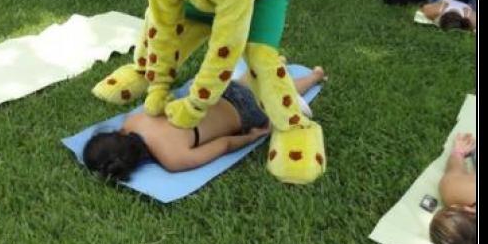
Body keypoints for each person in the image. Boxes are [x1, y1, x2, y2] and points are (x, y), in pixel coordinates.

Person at [84, 67, 326, 181]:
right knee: (246, 83)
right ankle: (267, 68)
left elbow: (224, 144)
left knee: (280, 95)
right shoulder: (135, 119)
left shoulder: (173, 159)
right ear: (117, 134)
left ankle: (313, 77)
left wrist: (254, 135)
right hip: (215, 92)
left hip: (243, 112)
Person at [430, 133, 476, 244]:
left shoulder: (457, 191)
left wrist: (458, 152)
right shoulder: (454, 191)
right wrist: (459, 150)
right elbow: (454, 167)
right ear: (467, 210)